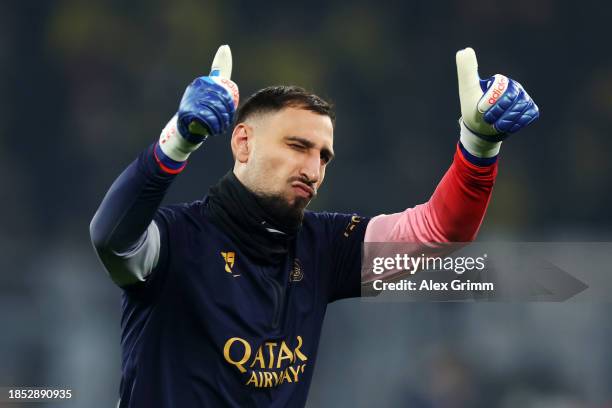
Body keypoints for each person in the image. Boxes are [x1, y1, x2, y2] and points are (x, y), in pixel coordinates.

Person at [89, 45, 538, 407]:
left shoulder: (323, 246)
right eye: (297, 145)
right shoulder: (177, 239)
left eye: (323, 155)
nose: (313, 168)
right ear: (243, 142)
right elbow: (109, 237)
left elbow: (441, 231)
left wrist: (478, 145)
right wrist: (178, 140)